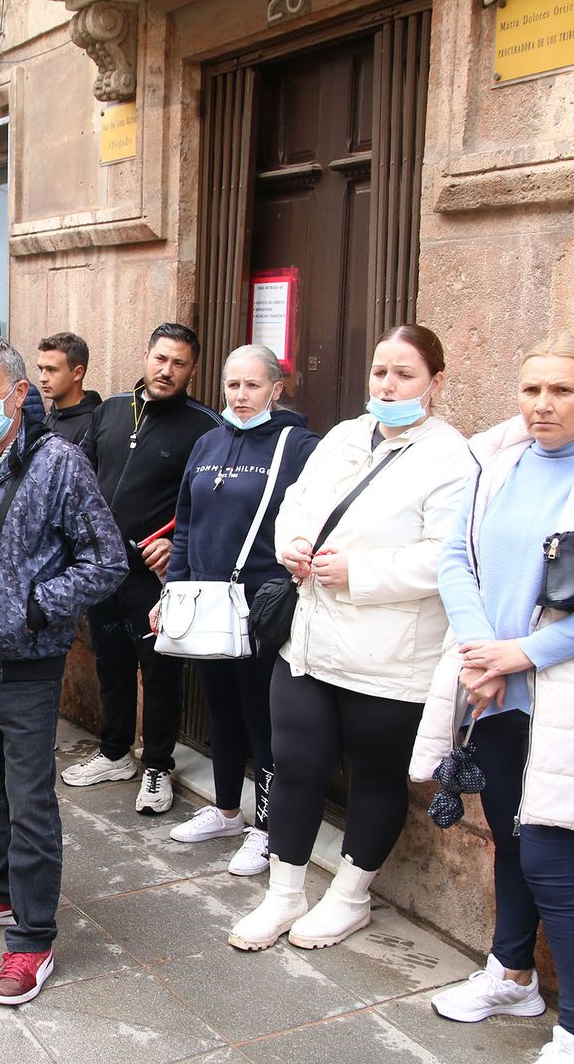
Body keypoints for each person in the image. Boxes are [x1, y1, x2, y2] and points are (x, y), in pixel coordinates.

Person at [413, 334, 574, 1064]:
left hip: (566, 695)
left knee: (554, 860)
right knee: (510, 843)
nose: (542, 405)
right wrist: (480, 653)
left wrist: (522, 653)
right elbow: (457, 558)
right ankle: (512, 975)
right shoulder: (495, 458)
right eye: (531, 390)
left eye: (561, 391)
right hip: (490, 686)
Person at [229, 324, 474, 951]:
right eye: (379, 372)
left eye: (404, 375)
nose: (387, 385)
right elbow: (296, 502)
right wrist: (293, 546)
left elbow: (449, 558)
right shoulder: (341, 437)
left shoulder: (452, 458)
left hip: (389, 656)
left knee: (375, 776)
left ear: (435, 384)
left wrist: (360, 572)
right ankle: (284, 894)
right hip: (309, 641)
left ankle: (350, 896)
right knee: (294, 767)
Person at [0, 335, 126, 1006]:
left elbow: (106, 561)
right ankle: (1, 894)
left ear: (16, 394)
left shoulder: (58, 465)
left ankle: (33, 939)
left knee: (30, 800)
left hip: (28, 662)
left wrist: (34, 608)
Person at [155, 345, 318, 875]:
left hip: (260, 608)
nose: (240, 396)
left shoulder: (297, 446)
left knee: (262, 717)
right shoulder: (207, 441)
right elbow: (186, 522)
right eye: (232, 385)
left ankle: (266, 828)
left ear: (277, 387)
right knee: (218, 708)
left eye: (252, 385)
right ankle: (226, 810)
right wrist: (172, 592)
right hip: (205, 604)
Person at [65, 323, 222, 814]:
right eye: (160, 359)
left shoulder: (206, 427)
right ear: (146, 356)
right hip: (102, 571)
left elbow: (212, 504)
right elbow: (81, 477)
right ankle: (115, 752)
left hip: (155, 578)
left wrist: (180, 544)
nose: (167, 370)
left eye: (179, 363)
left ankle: (156, 765)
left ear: (193, 370)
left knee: (159, 673)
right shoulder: (110, 410)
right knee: (110, 664)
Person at [37, 332, 101, 445]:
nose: (42, 378)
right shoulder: (47, 420)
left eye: (51, 370)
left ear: (77, 373)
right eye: (41, 369)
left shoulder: (94, 426)